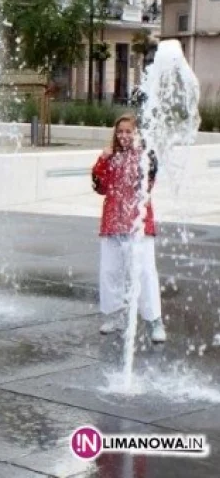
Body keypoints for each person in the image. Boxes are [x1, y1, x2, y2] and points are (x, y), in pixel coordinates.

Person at [91, 114, 165, 342]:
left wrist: (139, 156)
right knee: (110, 271)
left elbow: (148, 184)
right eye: (120, 131)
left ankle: (154, 320)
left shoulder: (145, 155)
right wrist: (103, 159)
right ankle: (115, 314)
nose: (123, 136)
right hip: (113, 222)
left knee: (144, 272)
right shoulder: (110, 157)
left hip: (138, 223)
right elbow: (99, 187)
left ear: (136, 133)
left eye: (128, 131)